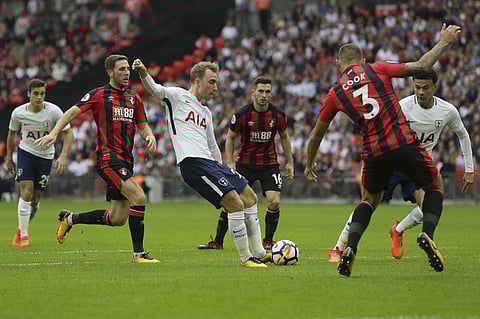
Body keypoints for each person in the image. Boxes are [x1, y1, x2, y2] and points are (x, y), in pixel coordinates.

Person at [304, 23, 461, 277]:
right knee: (435, 187)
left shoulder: (335, 94)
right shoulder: (377, 69)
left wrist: (309, 163)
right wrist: (444, 42)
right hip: (404, 143)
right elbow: (421, 66)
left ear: (338, 64)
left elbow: (315, 135)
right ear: (362, 59)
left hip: (374, 152)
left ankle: (350, 248)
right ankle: (427, 234)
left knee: (368, 201)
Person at [133, 58, 271, 267]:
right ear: (197, 81)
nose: (216, 87)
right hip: (192, 163)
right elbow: (154, 89)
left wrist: (224, 168)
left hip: (211, 163)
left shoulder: (206, 112)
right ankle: (246, 258)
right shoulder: (178, 96)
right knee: (235, 203)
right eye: (212, 82)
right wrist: (143, 72)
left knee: (250, 196)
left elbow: (212, 144)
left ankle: (260, 252)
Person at [332, 69, 475, 259]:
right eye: (417, 87)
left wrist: (469, 169)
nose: (421, 92)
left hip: (418, 165)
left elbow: (463, 135)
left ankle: (398, 230)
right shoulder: (402, 106)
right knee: (368, 203)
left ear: (435, 87)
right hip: (393, 162)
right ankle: (339, 247)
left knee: (429, 206)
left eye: (426, 87)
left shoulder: (448, 110)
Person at [35, 54, 159, 264]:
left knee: (118, 218)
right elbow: (72, 113)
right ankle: (139, 255)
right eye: (121, 69)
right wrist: (55, 133)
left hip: (126, 160)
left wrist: (149, 134)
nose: (126, 72)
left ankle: (70, 219)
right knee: (139, 196)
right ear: (110, 71)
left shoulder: (133, 98)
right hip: (108, 158)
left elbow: (142, 123)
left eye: (128, 69)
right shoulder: (99, 95)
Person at [198, 76, 294, 250]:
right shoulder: (242, 114)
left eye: (267, 92)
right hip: (244, 164)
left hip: (269, 164)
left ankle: (268, 241)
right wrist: (229, 162)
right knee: (232, 201)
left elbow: (285, 137)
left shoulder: (278, 115)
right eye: (260, 91)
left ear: (271, 94)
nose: (264, 95)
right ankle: (218, 241)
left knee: (274, 202)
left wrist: (290, 162)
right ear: (253, 92)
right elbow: (230, 137)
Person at [6, 79, 73, 248]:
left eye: (42, 93)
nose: (39, 97)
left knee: (35, 201)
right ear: (28, 94)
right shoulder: (19, 113)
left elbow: (69, 132)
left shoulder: (54, 111)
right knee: (26, 191)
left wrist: (63, 155)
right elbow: (12, 135)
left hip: (45, 157)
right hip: (26, 153)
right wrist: (8, 157)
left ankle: (21, 228)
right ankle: (24, 236)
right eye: (35, 93)